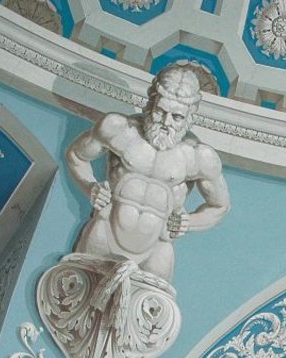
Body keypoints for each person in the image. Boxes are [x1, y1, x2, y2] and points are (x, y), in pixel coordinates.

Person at [64, 64, 230, 283]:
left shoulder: (198, 157)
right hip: (105, 231)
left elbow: (220, 206)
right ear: (151, 103)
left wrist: (189, 222)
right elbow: (76, 156)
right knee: (77, 289)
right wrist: (90, 187)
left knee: (153, 303)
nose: (166, 122)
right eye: (161, 111)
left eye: (177, 117)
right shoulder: (119, 130)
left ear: (190, 117)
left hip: (157, 248)